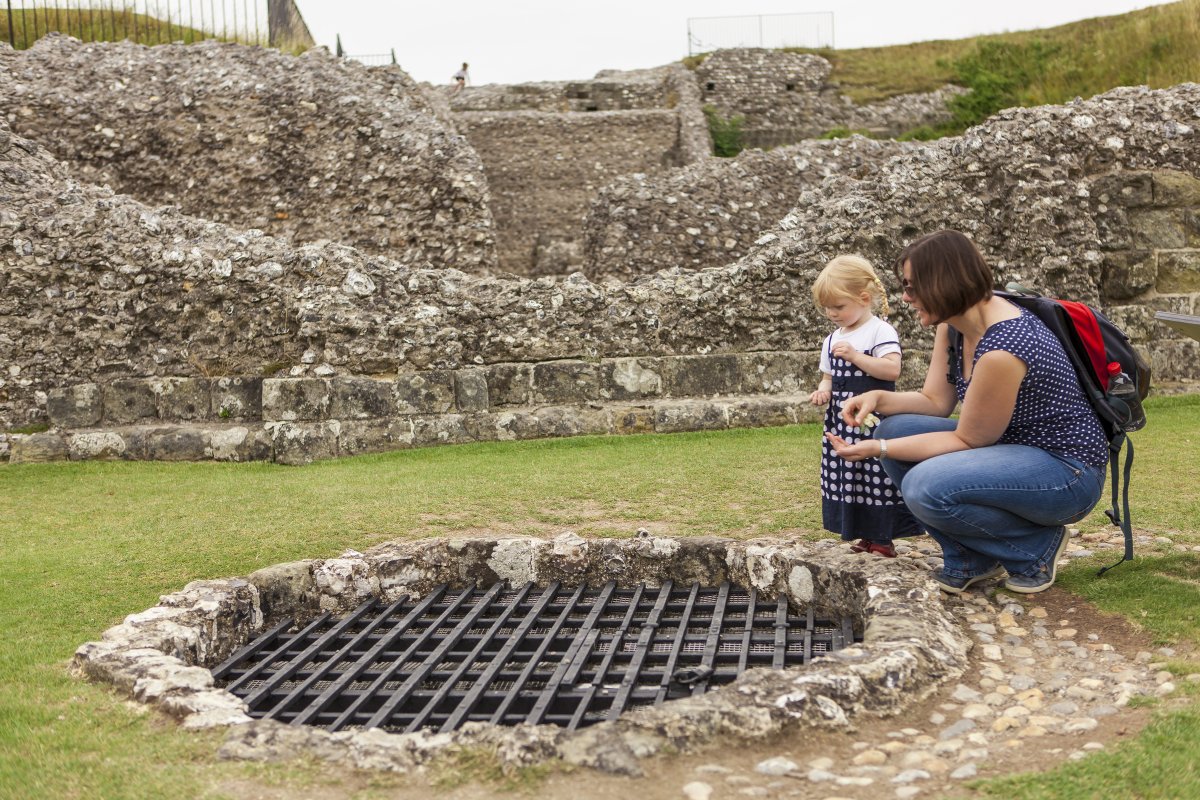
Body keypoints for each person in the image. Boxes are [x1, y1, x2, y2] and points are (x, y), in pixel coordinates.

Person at [825, 230, 1108, 594]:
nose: (906, 297)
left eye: (912, 287)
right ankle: (970, 559)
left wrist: (877, 451)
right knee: (891, 429)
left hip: (1066, 472)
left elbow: (968, 438)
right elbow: (934, 401)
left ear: (944, 283)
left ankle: (1034, 549)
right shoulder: (953, 328)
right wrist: (878, 399)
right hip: (1009, 451)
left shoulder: (1003, 348)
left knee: (924, 485)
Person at [810, 255, 922, 558]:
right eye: (827, 308)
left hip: (873, 418)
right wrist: (822, 392)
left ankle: (883, 537)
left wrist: (857, 357)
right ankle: (863, 533)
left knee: (877, 476)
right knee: (849, 475)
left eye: (839, 306)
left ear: (863, 298)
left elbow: (891, 370)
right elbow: (827, 377)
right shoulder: (832, 338)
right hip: (840, 421)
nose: (832, 313)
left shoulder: (880, 331)